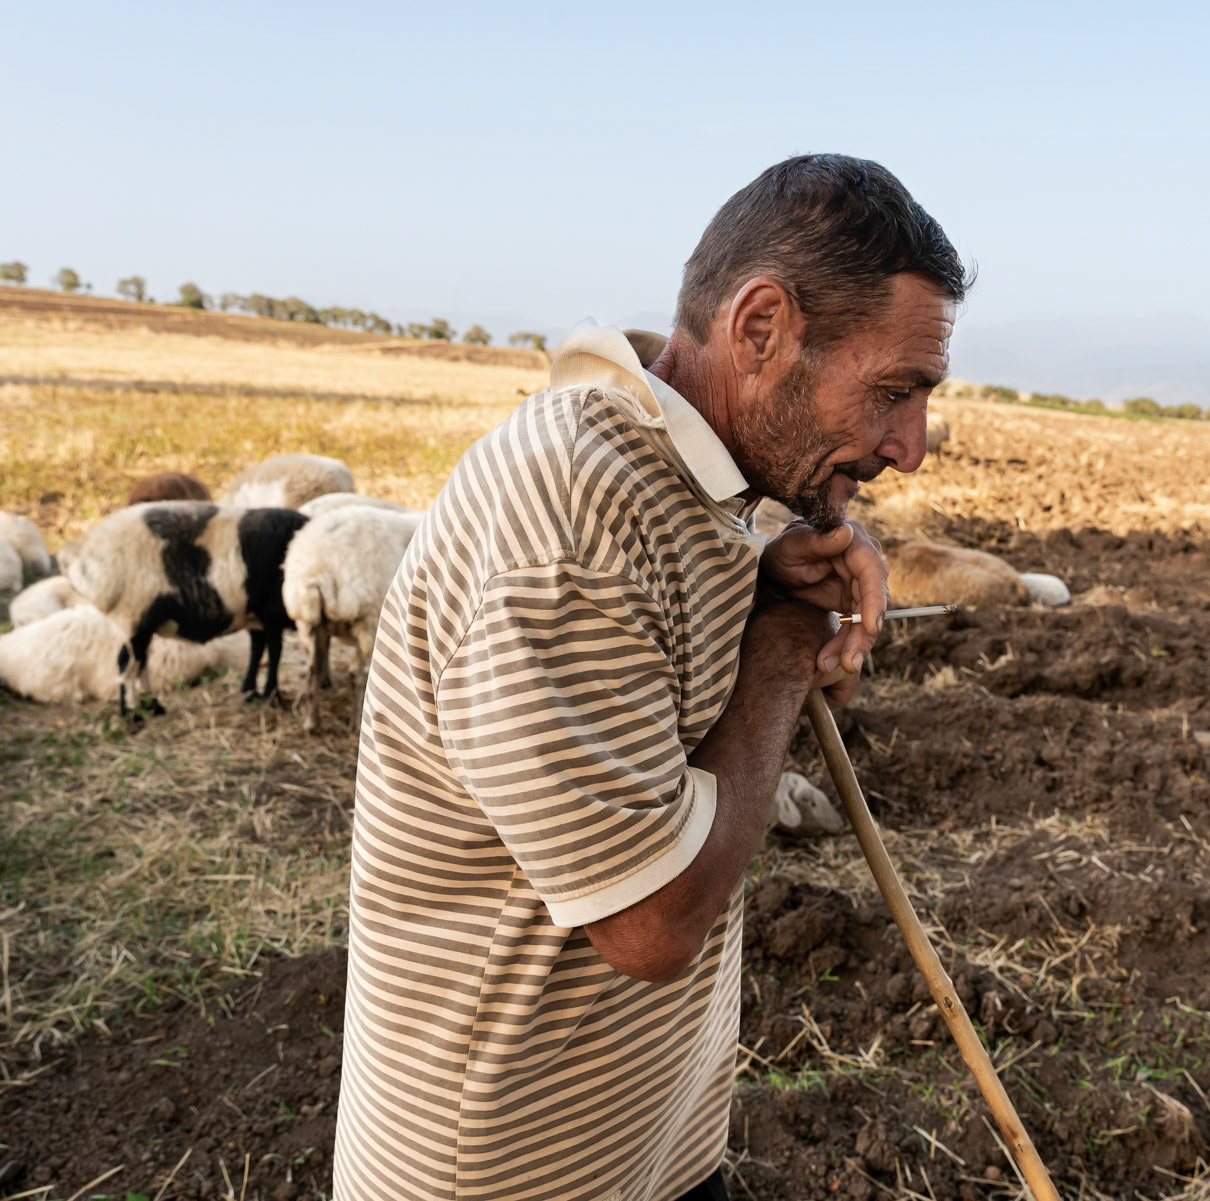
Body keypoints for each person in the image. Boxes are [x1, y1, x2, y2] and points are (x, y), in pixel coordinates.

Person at [335, 153, 968, 1201]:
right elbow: (649, 923)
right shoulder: (574, 519)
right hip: (506, 1174)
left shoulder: (690, 484)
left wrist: (771, 583)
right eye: (894, 391)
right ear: (760, 327)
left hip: (643, 1147)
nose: (911, 447)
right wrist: (776, 649)